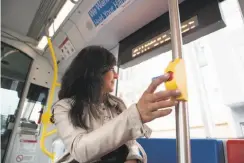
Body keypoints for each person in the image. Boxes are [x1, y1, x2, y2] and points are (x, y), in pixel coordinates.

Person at [52, 46, 181, 163]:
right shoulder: (63, 107)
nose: (116, 75)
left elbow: (131, 143)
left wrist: (133, 158)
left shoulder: (117, 104)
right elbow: (80, 151)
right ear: (96, 73)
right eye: (111, 70)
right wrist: (135, 115)